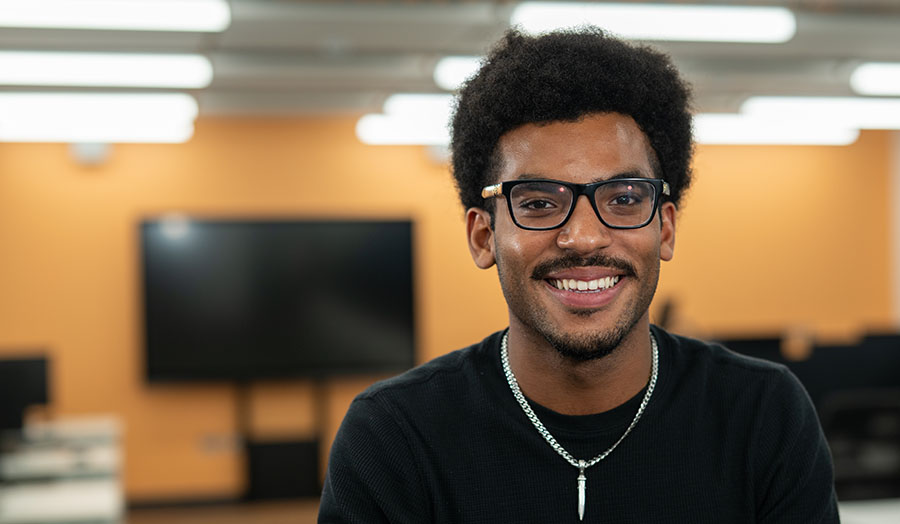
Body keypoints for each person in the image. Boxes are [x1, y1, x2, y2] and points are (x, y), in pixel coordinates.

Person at [319, 27, 839, 523]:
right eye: (540, 203)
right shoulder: (393, 435)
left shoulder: (762, 415)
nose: (585, 237)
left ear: (666, 228)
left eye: (625, 198)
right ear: (484, 237)